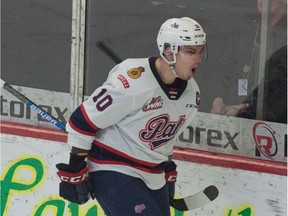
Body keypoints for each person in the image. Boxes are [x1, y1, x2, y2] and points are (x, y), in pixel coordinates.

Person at [56, 17, 206, 216]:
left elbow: (166, 136)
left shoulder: (191, 94)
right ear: (169, 51)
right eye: (190, 52)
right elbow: (81, 122)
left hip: (152, 174)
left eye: (200, 50)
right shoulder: (132, 80)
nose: (198, 59)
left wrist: (167, 166)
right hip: (112, 167)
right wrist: (74, 167)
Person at [211, 0, 287, 123]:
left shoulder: (284, 38)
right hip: (236, 116)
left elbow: (280, 87)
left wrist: (248, 109)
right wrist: (218, 97)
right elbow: (226, 68)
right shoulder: (248, 28)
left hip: (274, 123)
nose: (261, 1)